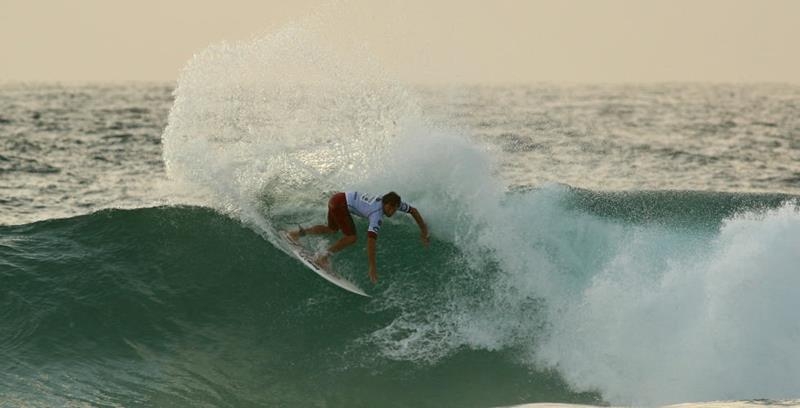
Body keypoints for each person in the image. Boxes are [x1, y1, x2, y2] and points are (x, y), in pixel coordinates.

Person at [288, 191, 429, 284]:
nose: (392, 212)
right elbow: (371, 241)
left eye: (394, 209)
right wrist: (372, 266)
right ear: (385, 204)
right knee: (352, 237)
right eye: (390, 208)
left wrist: (423, 230)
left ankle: (295, 234)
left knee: (332, 229)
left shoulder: (392, 202)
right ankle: (322, 257)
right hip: (340, 204)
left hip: (337, 198)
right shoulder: (376, 214)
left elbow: (413, 210)